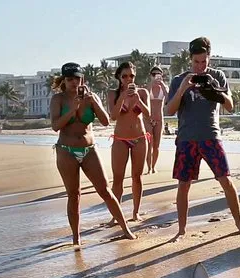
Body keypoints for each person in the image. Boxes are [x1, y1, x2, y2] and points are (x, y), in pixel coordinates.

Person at [165, 37, 240, 242]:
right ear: (190, 59)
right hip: (187, 138)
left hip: (211, 136)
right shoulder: (179, 79)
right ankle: (181, 230)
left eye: (204, 62)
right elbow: (169, 110)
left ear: (209, 58)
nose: (200, 66)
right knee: (184, 184)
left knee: (226, 180)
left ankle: (239, 224)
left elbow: (231, 106)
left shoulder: (218, 76)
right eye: (196, 62)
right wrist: (182, 90)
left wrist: (216, 92)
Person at [49, 62, 136, 245]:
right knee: (74, 195)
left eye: (77, 78)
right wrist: (73, 109)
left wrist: (94, 101)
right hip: (66, 151)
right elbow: (55, 126)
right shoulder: (58, 99)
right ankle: (76, 238)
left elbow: (106, 121)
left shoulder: (91, 97)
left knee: (105, 190)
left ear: (83, 79)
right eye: (70, 79)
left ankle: (126, 229)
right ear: (64, 80)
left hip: (89, 149)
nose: (74, 82)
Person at [107, 62, 151, 222]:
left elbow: (148, 114)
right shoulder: (113, 94)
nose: (128, 79)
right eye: (124, 76)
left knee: (136, 177)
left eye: (131, 75)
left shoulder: (143, 92)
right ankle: (115, 216)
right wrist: (124, 96)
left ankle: (135, 212)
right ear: (119, 77)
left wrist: (138, 99)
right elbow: (113, 116)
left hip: (139, 138)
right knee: (118, 178)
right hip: (120, 139)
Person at [146, 66, 168, 174]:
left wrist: (162, 86)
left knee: (156, 145)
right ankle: (149, 167)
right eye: (154, 74)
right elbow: (144, 97)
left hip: (159, 118)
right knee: (148, 144)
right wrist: (151, 84)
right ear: (150, 75)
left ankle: (153, 166)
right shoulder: (148, 87)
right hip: (148, 119)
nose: (156, 76)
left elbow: (169, 99)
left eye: (158, 74)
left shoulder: (164, 87)